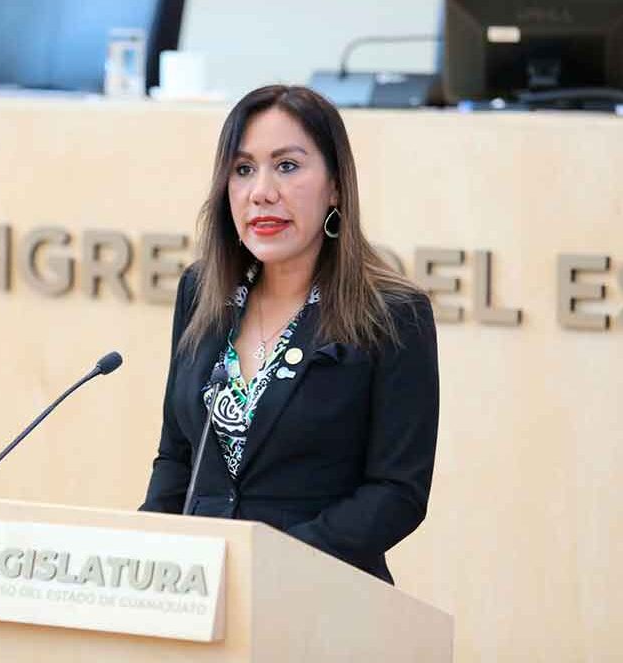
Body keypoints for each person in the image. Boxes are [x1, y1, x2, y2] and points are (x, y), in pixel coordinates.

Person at [139, 85, 439, 585]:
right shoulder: (202, 291)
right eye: (243, 169)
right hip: (198, 591)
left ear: (335, 186)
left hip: (318, 595)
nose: (261, 191)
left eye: (287, 166)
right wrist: (143, 554)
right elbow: (176, 455)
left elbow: (397, 492)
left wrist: (276, 565)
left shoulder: (393, 314)